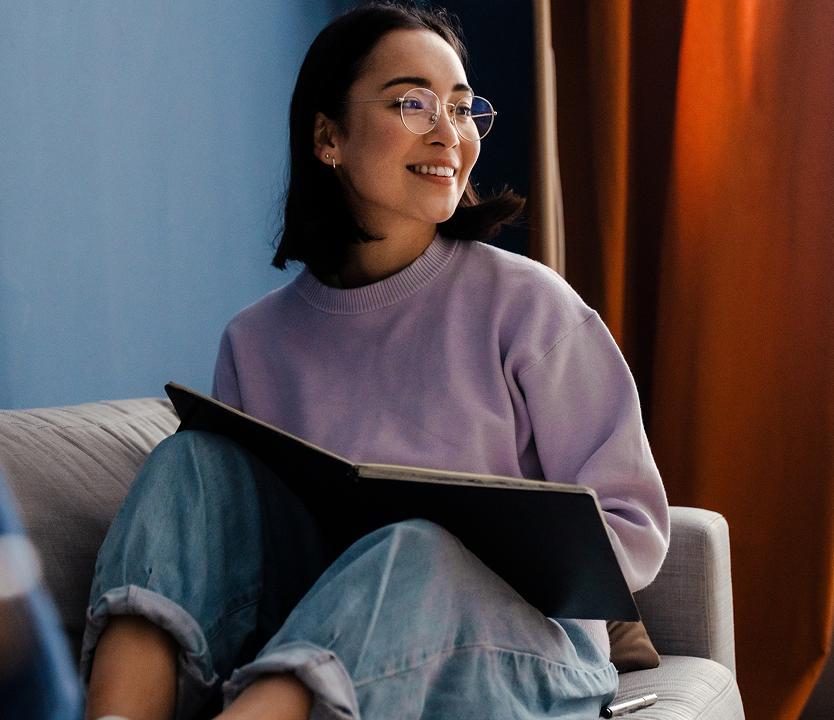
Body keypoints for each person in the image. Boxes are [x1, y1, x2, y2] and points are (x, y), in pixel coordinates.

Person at [82, 3, 670, 720]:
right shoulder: (255, 341)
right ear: (328, 137)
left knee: (415, 550)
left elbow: (632, 528)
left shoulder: (530, 306)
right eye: (412, 103)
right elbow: (244, 547)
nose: (448, 132)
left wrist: (470, 553)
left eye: (461, 107)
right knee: (190, 463)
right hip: (331, 640)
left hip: (526, 653)